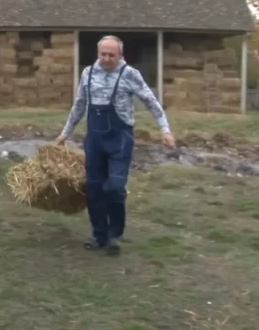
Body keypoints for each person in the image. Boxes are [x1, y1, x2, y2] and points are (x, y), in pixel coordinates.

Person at [55, 35, 176, 256]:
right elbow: (79, 105)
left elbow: (151, 101)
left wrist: (165, 130)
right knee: (94, 189)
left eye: (112, 55)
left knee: (114, 188)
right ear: (98, 53)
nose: (107, 59)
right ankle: (99, 235)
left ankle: (115, 235)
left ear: (120, 55)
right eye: (103, 54)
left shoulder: (129, 74)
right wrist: (65, 134)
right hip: (94, 140)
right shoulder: (88, 74)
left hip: (120, 140)